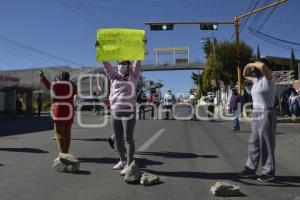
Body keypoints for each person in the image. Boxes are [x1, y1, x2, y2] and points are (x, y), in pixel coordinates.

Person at [100, 59, 141, 176]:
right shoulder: (114, 75)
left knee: (128, 138)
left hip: (129, 109)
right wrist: (99, 49)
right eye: (119, 63)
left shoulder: (134, 74)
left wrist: (141, 45)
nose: (121, 65)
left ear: (129, 65)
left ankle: (129, 164)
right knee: (118, 137)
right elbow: (106, 65)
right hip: (115, 109)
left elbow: (137, 61)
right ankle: (122, 160)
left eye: (123, 63)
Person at [239, 60, 277, 182]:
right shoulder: (256, 80)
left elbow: (263, 66)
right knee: (253, 143)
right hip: (256, 113)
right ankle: (250, 170)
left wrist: (253, 64)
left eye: (255, 68)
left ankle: (268, 172)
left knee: (266, 144)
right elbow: (244, 74)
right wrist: (248, 65)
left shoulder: (269, 78)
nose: (253, 70)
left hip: (267, 111)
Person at [40, 70, 77, 157]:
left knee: (59, 133)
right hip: (69, 111)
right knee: (67, 134)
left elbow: (49, 86)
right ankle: (66, 153)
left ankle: (63, 154)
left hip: (59, 110)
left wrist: (42, 77)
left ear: (60, 77)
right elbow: (74, 93)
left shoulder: (57, 85)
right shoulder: (73, 85)